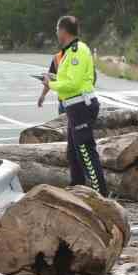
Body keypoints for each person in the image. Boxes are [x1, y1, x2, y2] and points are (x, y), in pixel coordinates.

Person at [41, 15, 108, 195]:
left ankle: (101, 195)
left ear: (63, 30)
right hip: (73, 106)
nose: (56, 33)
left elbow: (74, 84)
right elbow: (67, 79)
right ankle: (76, 189)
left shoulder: (78, 51)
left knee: (85, 152)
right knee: (73, 152)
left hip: (81, 106)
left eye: (57, 29)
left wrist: (51, 84)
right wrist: (52, 79)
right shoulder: (68, 52)